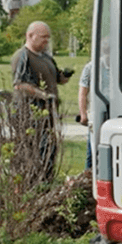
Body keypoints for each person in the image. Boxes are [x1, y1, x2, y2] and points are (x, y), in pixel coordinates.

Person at [12, 21, 71, 180]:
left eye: (48, 38)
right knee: (33, 152)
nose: (46, 41)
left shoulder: (46, 56)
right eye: (43, 37)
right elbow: (20, 84)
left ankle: (46, 182)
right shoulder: (22, 56)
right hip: (31, 115)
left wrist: (65, 76)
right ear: (30, 36)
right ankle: (32, 184)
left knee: (50, 150)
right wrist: (43, 95)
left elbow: (57, 78)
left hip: (49, 114)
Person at [76, 60, 94, 170]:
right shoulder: (90, 68)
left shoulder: (119, 64)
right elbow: (83, 93)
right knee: (91, 149)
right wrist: (83, 114)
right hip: (95, 113)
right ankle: (88, 175)